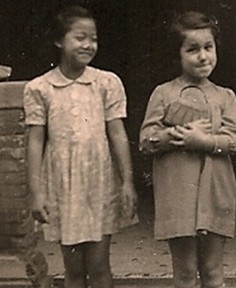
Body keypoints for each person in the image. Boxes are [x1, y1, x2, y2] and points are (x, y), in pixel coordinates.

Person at [24, 5, 137, 288]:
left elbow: (117, 134)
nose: (88, 45)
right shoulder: (41, 88)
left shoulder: (106, 83)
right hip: (63, 185)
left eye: (93, 38)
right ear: (60, 40)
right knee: (73, 268)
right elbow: (35, 141)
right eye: (80, 37)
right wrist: (36, 193)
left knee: (99, 266)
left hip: (98, 183)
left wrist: (127, 182)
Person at [139, 11, 236, 288]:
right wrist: (171, 135)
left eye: (208, 48)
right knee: (185, 273)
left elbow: (235, 140)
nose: (203, 56)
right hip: (178, 195)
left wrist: (204, 142)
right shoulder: (163, 93)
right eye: (192, 49)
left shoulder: (225, 96)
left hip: (215, 193)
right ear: (178, 54)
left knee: (212, 271)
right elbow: (145, 139)